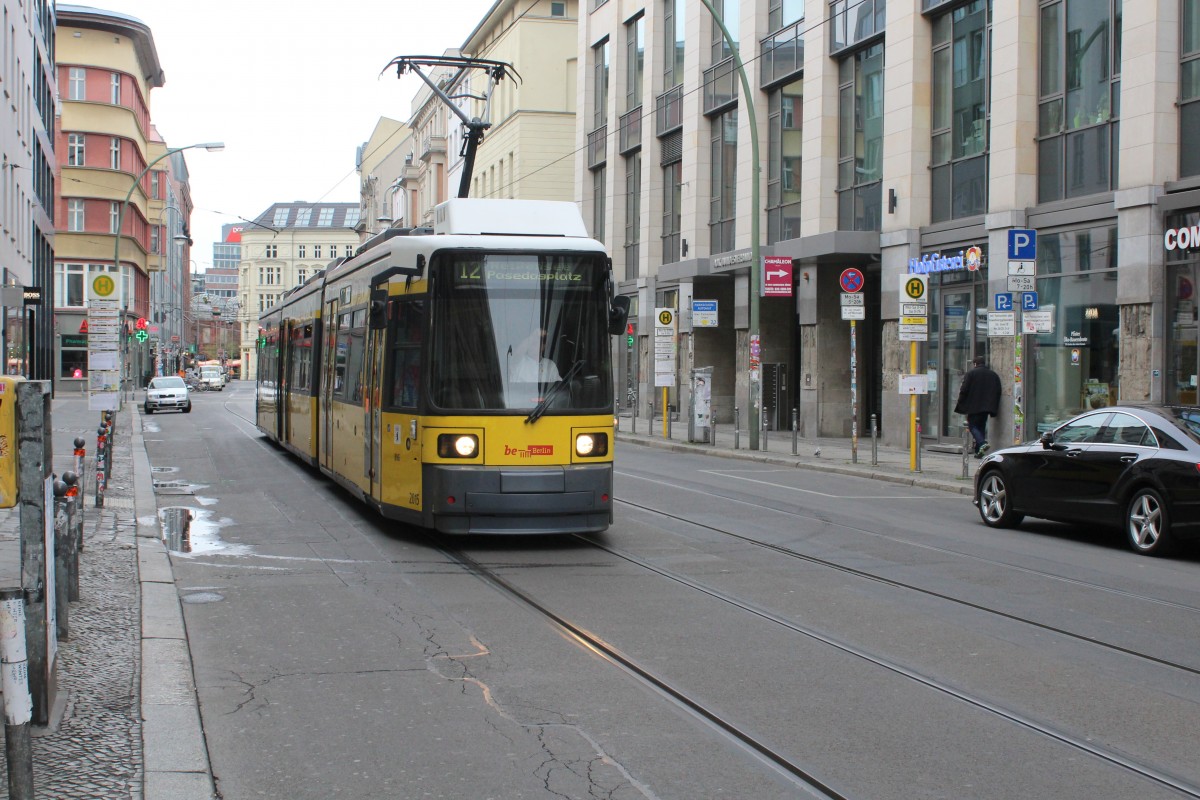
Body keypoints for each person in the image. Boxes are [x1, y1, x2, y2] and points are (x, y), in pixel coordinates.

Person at [955, 354, 1001, 458]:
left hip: (973, 406)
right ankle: (979, 451)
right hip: (987, 407)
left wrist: (961, 402)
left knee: (972, 426)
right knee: (981, 426)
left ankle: (982, 442)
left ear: (975, 364)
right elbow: (998, 391)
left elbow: (964, 389)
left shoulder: (971, 373)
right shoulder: (993, 375)